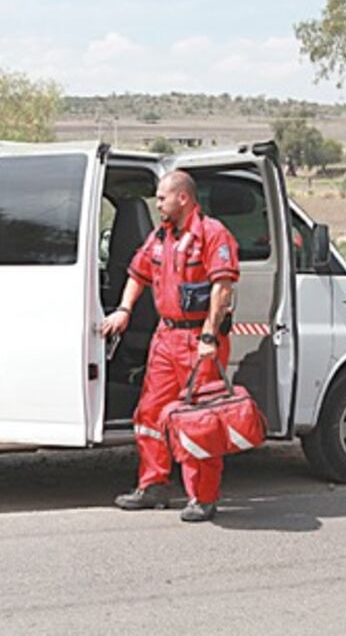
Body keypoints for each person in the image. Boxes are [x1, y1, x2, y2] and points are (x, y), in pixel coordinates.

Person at [101, 170, 239, 523]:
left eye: (162, 198)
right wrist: (123, 310)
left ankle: (203, 497)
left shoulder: (212, 234)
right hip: (166, 337)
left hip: (199, 339)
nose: (158, 204)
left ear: (183, 198)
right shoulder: (160, 237)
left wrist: (209, 335)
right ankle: (153, 485)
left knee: (198, 419)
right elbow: (138, 273)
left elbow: (222, 288)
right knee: (150, 414)